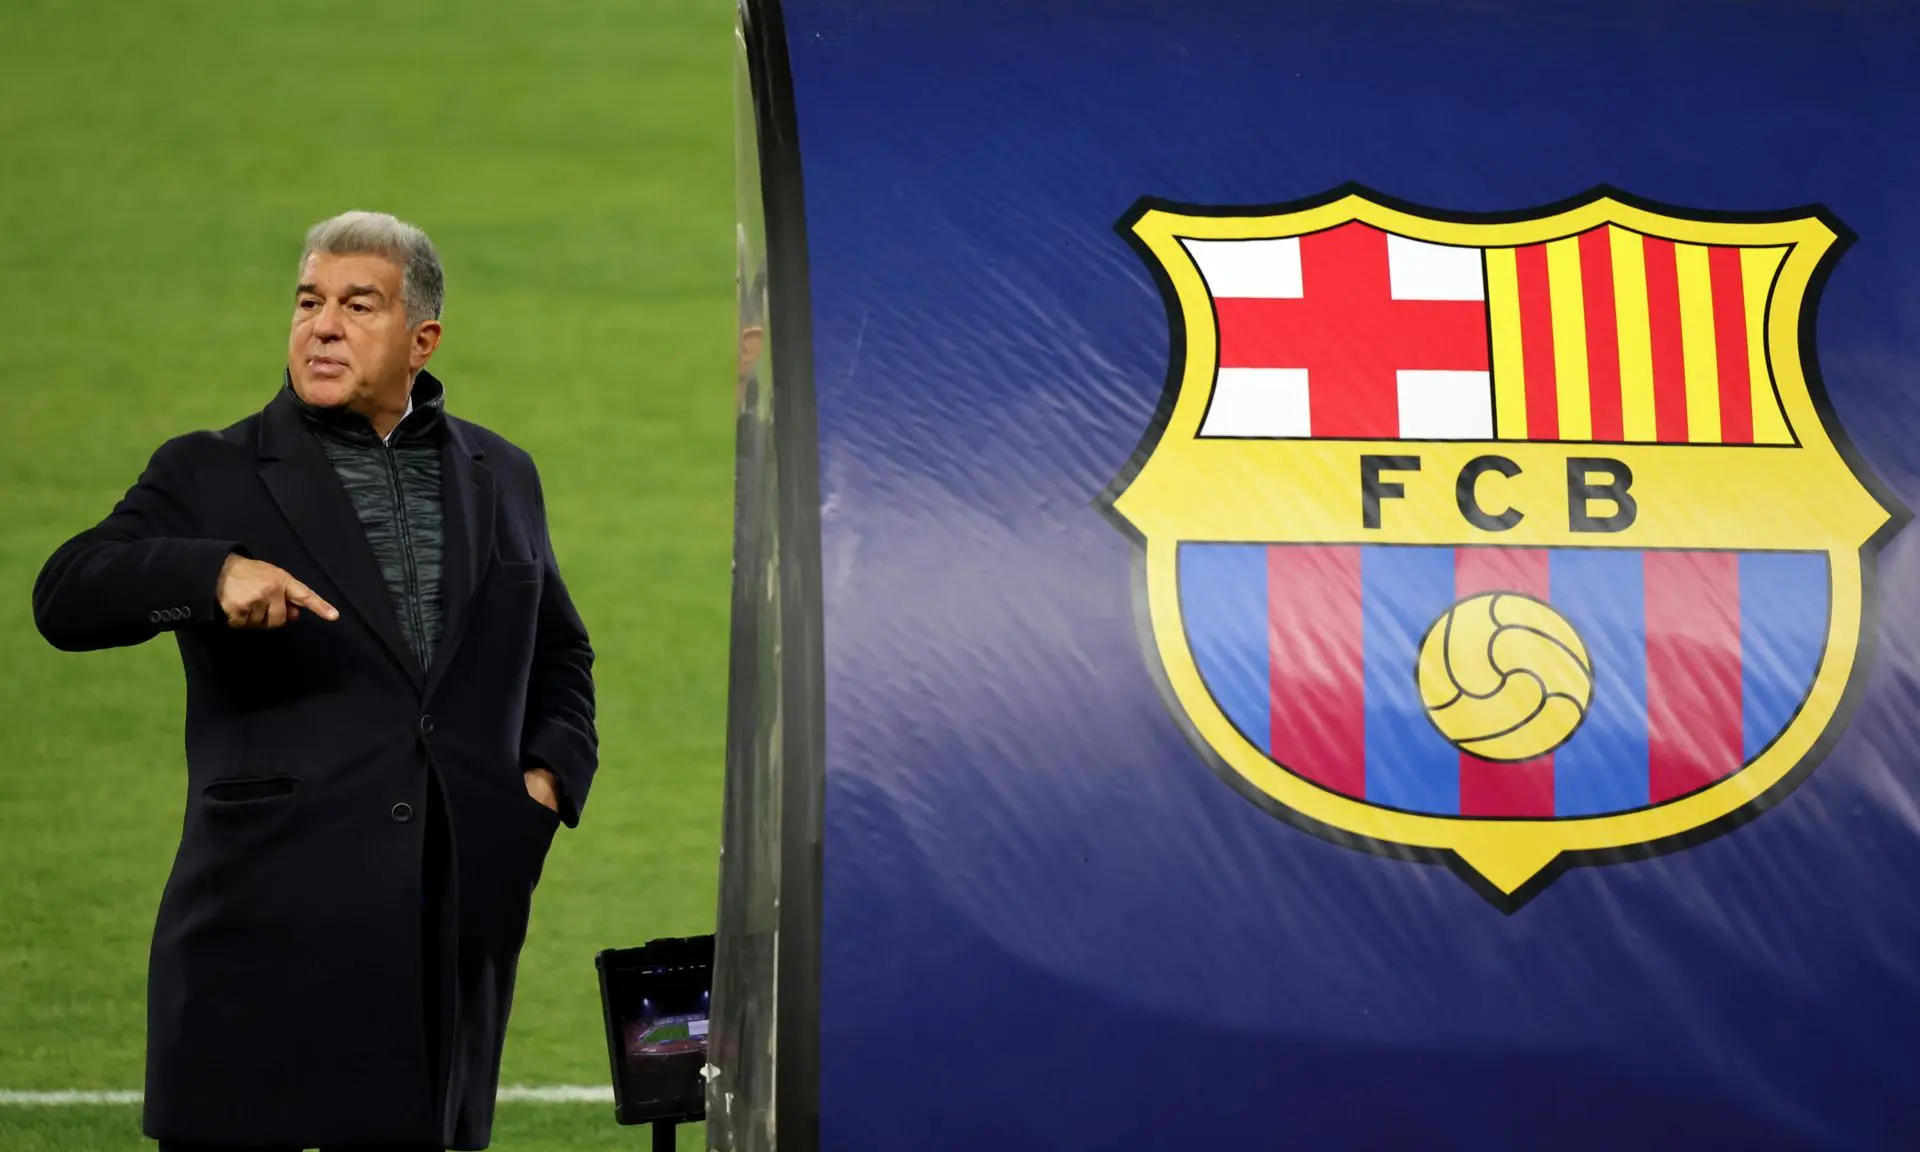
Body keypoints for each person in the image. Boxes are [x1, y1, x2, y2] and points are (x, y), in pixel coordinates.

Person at [31, 211, 598, 1152]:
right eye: (308, 301)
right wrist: (209, 574)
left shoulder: (501, 473)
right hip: (265, 922)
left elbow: (561, 653)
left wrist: (541, 786)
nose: (323, 326)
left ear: (422, 339)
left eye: (357, 305)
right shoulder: (210, 470)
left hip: (446, 932)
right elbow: (66, 593)